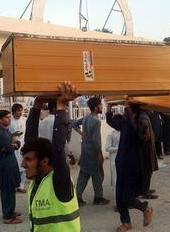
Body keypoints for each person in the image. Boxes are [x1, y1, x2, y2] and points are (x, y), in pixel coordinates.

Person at [22, 81, 80, 232]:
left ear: (45, 161)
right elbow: (30, 140)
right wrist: (37, 104)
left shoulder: (59, 181)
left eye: (28, 160)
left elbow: (59, 149)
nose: (22, 165)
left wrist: (61, 106)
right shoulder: (37, 181)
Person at [107, 103, 153, 232]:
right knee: (119, 197)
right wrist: (109, 107)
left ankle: (145, 208)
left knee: (127, 196)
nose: (124, 113)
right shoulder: (124, 123)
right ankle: (126, 222)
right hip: (121, 164)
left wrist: (128, 108)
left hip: (132, 166)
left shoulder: (140, 126)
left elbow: (135, 130)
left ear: (133, 113)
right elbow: (110, 121)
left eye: (127, 111)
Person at [72, 97, 110, 206]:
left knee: (83, 175)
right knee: (97, 175)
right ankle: (98, 198)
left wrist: (82, 134)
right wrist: (100, 155)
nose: (102, 107)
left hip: (85, 152)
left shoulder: (86, 118)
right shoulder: (96, 121)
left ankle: (77, 198)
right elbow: (96, 141)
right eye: (100, 105)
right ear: (95, 107)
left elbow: (74, 124)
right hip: (93, 153)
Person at [0, 110, 22, 224]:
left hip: (10, 162)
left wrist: (14, 144)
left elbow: (16, 144)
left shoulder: (7, 131)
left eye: (9, 117)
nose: (9, 119)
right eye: (6, 117)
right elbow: (10, 148)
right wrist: (13, 145)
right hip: (5, 165)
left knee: (11, 188)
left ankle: (11, 211)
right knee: (6, 191)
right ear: (0, 120)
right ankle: (7, 216)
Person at [139, 111, 158, 200]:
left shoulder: (145, 116)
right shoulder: (144, 118)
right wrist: (147, 136)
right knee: (147, 169)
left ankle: (145, 189)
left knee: (148, 170)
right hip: (147, 149)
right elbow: (146, 133)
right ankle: (145, 191)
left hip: (148, 148)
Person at [9, 103, 27, 193]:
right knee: (14, 166)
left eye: (21, 110)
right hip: (13, 147)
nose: (20, 112)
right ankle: (13, 185)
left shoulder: (24, 120)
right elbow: (6, 133)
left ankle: (21, 186)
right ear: (14, 111)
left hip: (23, 145)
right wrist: (13, 135)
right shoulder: (9, 121)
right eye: (18, 110)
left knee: (23, 166)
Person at [105, 124, 120, 207]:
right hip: (114, 160)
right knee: (115, 181)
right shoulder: (111, 134)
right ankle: (118, 203)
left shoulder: (124, 132)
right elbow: (107, 148)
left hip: (123, 159)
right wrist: (118, 148)